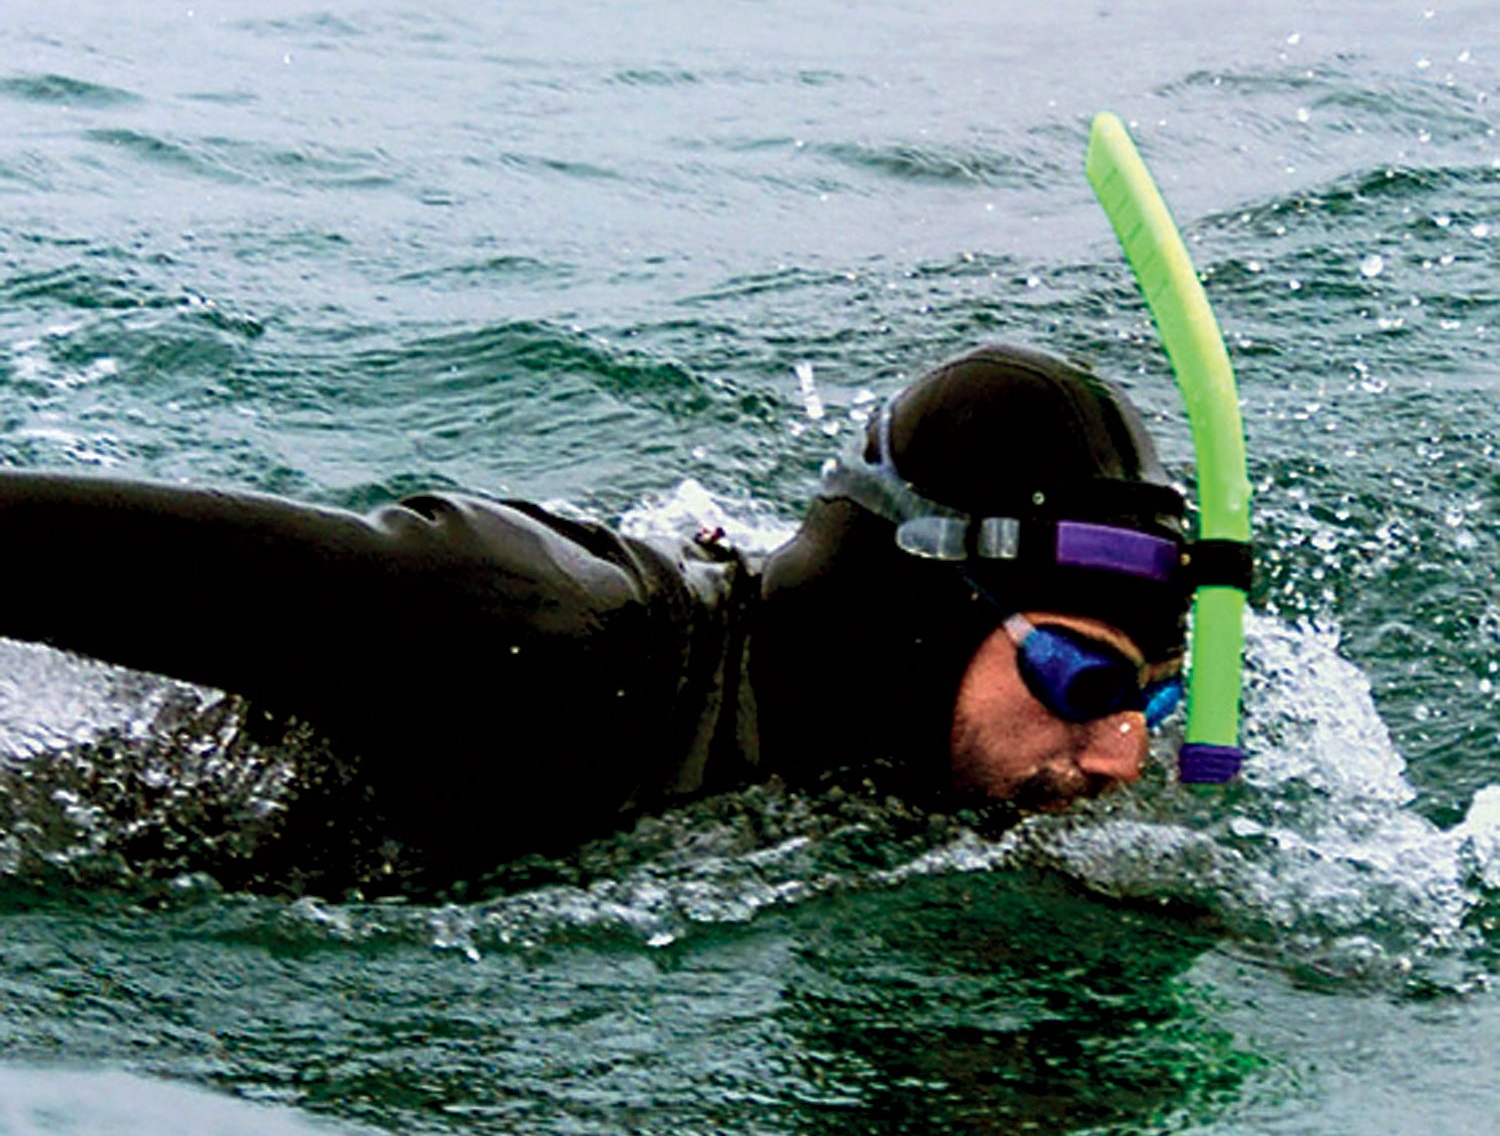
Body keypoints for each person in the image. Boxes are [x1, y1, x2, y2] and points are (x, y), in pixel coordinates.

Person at [0, 345, 1190, 870]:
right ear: (916, 623)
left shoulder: (894, 762)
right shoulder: (543, 635)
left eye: (1152, 699)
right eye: (1080, 685)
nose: (1123, 756)